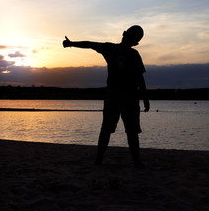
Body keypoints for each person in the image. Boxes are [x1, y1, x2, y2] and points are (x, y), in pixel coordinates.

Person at [63, 25, 150, 167]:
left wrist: (145, 98)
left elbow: (140, 79)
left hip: (124, 96)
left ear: (126, 36)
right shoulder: (114, 50)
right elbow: (90, 44)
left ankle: (129, 161)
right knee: (114, 130)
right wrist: (72, 43)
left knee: (124, 131)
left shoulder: (127, 53)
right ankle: (104, 160)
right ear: (133, 40)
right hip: (118, 96)